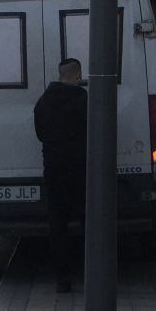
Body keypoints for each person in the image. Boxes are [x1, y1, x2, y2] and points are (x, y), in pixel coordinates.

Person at [34, 58, 88, 293]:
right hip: (81, 170)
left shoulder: (44, 102)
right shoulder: (84, 100)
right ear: (77, 76)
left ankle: (62, 279)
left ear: (59, 75)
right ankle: (92, 273)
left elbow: (40, 133)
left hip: (54, 169)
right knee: (89, 222)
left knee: (58, 225)